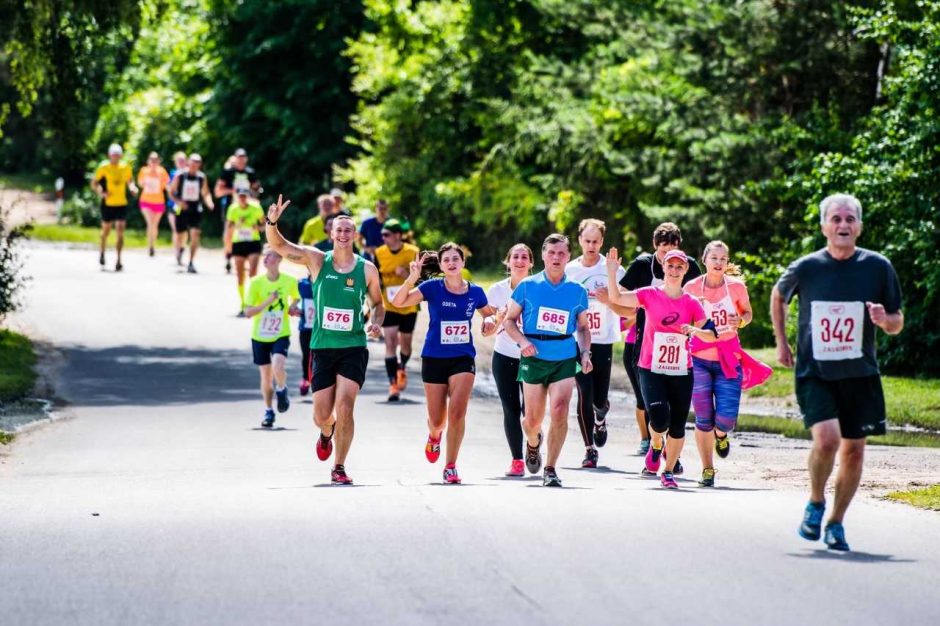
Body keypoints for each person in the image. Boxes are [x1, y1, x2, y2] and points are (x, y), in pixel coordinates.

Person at [771, 193, 903, 552]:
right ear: (824, 226)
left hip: (860, 373)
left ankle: (836, 523)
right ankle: (816, 502)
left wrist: (883, 319)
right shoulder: (807, 267)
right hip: (816, 370)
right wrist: (782, 343)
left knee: (855, 450)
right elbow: (779, 294)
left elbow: (896, 321)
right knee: (828, 440)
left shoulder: (878, 267)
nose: (843, 225)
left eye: (849, 219)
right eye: (836, 219)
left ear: (859, 226)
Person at [265, 195, 384, 485]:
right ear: (331, 234)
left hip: (354, 347)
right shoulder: (317, 260)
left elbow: (378, 304)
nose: (343, 235)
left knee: (345, 407)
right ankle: (327, 431)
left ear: (354, 235)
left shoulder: (366, 269)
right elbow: (280, 246)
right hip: (322, 347)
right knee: (322, 415)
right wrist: (272, 222)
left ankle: (339, 466)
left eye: (348, 230)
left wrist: (376, 323)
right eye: (338, 230)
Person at [605, 247, 714, 489]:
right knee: (659, 418)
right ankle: (656, 444)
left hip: (681, 371)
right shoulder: (649, 294)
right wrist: (611, 273)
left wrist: (696, 331)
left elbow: (711, 334)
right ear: (663, 267)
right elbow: (617, 299)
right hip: (650, 367)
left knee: (676, 425)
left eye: (679, 267)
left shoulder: (692, 303)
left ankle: (668, 472)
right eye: (670, 266)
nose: (674, 271)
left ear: (685, 271)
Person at [392, 244, 497, 484]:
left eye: (455, 259)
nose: (451, 263)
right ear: (440, 265)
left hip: (463, 358)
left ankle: (451, 466)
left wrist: (489, 321)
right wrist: (412, 277)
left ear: (463, 263)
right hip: (434, 357)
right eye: (446, 260)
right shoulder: (432, 288)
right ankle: (434, 434)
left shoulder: (476, 292)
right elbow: (399, 302)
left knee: (457, 413)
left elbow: (490, 313)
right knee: (438, 420)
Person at [502, 234, 593, 487]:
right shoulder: (528, 286)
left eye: (561, 253)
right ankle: (533, 443)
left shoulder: (577, 291)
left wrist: (585, 353)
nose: (556, 258)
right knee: (532, 421)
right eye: (551, 253)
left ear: (568, 257)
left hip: (564, 356)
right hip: (534, 356)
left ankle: (551, 468)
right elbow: (509, 321)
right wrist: (522, 342)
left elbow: (584, 328)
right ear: (542, 256)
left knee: (560, 410)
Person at [683, 241, 769, 487]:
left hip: (728, 358)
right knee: (703, 418)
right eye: (714, 258)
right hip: (698, 358)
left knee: (726, 419)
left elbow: (748, 314)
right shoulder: (691, 287)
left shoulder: (737, 287)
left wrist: (739, 321)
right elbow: (683, 316)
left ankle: (721, 435)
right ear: (705, 260)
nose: (719, 263)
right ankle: (707, 469)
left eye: (723, 259)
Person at [618, 222, 701, 465]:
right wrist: (635, 314)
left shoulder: (688, 266)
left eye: (674, 250)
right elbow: (620, 295)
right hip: (641, 339)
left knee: (675, 409)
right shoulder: (643, 265)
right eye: (664, 252)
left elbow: (699, 296)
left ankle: (671, 456)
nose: (670, 261)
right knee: (647, 401)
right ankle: (650, 441)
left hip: (678, 346)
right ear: (655, 248)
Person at [565, 219, 625, 468]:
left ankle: (601, 415)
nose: (591, 245)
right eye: (587, 241)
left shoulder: (613, 269)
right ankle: (590, 449)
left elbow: (628, 308)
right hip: (577, 340)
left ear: (602, 242)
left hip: (603, 340)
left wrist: (609, 301)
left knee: (599, 398)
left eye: (596, 241)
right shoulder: (569, 270)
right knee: (584, 393)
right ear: (579, 240)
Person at [486, 243, 535, 476]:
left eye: (524, 257)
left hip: (533, 358)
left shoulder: (539, 287)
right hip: (504, 356)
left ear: (531, 263)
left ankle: (533, 446)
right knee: (511, 410)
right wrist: (499, 317)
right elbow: (486, 331)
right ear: (508, 261)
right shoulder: (496, 290)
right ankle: (517, 459)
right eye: (515, 256)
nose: (519, 260)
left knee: (532, 412)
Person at [244, 246, 301, 428]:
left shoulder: (290, 281)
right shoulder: (256, 283)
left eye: (270, 255)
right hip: (260, 335)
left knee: (278, 365)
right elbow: (248, 312)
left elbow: (297, 298)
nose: (266, 258)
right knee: (266, 376)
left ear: (279, 259)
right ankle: (269, 410)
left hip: (280, 333)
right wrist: (268, 301)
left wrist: (293, 307)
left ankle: (282, 389)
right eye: (264, 255)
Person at [374, 218, 420, 401]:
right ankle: (393, 384)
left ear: (398, 235)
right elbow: (374, 278)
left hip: (409, 305)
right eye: (383, 235)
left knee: (406, 344)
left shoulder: (413, 252)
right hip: (389, 304)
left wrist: (407, 275)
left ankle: (402, 367)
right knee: (390, 343)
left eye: (388, 235)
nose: (384, 238)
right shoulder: (379, 253)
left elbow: (423, 281)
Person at [91, 143, 138, 271]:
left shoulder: (125, 167)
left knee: (120, 231)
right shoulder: (104, 167)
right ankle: (102, 252)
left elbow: (130, 181)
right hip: (108, 204)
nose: (116, 157)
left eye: (118, 155)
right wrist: (101, 192)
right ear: (109, 155)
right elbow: (94, 183)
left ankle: (119, 260)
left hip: (121, 203)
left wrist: (132, 188)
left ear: (121, 155)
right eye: (113, 155)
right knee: (106, 231)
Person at [215, 148, 261, 273]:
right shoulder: (227, 172)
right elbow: (218, 191)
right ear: (235, 158)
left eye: (243, 157)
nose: (241, 160)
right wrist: (233, 191)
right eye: (239, 157)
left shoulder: (250, 172)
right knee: (229, 233)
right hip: (231, 207)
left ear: (246, 159)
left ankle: (243, 258)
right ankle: (228, 257)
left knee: (248, 232)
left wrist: (254, 193)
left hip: (247, 208)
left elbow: (256, 189)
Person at [169, 153, 215, 273]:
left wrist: (209, 202)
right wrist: (178, 202)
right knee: (181, 235)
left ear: (200, 164)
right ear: (189, 162)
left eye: (197, 162)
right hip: (182, 208)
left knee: (195, 233)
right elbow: (171, 191)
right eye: (193, 162)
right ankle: (181, 249)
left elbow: (205, 193)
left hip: (195, 208)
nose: (195, 165)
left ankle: (191, 262)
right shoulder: (180, 175)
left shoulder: (201, 177)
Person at [226, 187, 265, 315]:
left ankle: (251, 302)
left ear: (248, 196)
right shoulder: (233, 209)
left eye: (244, 196)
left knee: (253, 274)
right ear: (237, 197)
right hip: (238, 243)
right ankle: (243, 303)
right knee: (240, 275)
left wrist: (257, 227)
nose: (242, 198)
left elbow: (265, 225)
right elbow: (229, 228)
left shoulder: (256, 208)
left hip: (253, 242)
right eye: (240, 196)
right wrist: (237, 225)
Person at [136, 152, 170, 257]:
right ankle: (150, 246)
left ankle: (152, 244)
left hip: (159, 202)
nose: (154, 162)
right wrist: (145, 182)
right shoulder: (144, 171)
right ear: (148, 161)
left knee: (155, 225)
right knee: (150, 222)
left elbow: (166, 185)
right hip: (146, 201)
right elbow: (140, 183)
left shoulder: (162, 172)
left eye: (156, 160)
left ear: (159, 161)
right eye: (152, 159)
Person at [166, 151, 188, 260]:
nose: (181, 162)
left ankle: (182, 246)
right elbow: (169, 188)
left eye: (183, 160)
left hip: (186, 206)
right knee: (176, 229)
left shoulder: (190, 173)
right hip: (174, 206)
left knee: (184, 230)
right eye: (179, 160)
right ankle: (177, 251)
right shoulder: (173, 173)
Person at [297, 272, 315, 396]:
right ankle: (305, 379)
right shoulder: (302, 284)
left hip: (321, 329)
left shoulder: (324, 283)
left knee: (318, 356)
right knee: (306, 355)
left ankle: (316, 381)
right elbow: (294, 298)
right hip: (305, 327)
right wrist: (294, 308)